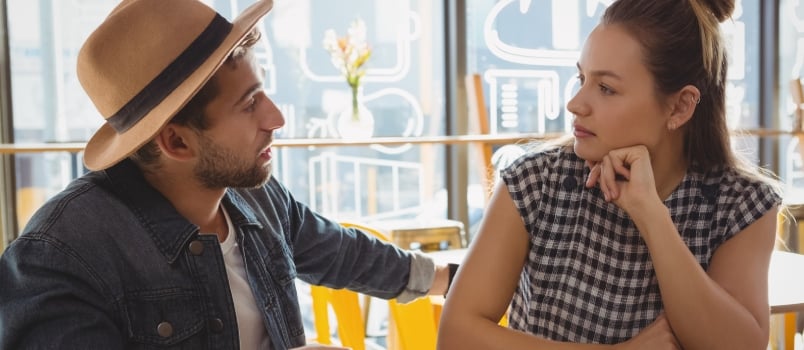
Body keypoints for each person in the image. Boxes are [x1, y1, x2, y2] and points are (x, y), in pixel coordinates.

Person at [0, 0, 451, 349]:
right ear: (176, 142)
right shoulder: (59, 259)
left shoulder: (255, 196)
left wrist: (456, 279)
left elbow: (340, 252)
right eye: (249, 103)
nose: (276, 118)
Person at [438, 0, 782, 349]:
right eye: (582, 79)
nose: (575, 104)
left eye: (606, 88)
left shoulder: (740, 205)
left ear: (679, 106)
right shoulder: (536, 181)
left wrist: (651, 215)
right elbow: (456, 337)